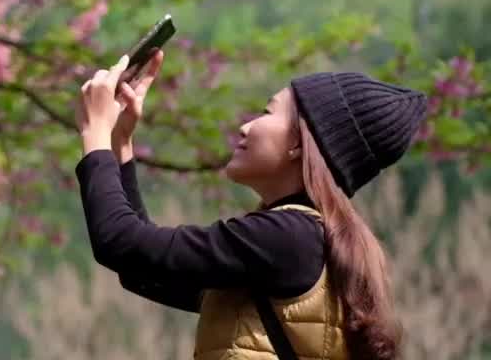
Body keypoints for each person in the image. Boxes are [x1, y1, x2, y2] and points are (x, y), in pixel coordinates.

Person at [74, 51, 426, 360]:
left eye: (267, 112)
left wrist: (96, 134)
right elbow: (142, 269)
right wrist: (120, 142)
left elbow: (117, 241)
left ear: (299, 144)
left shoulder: (288, 238)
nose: (245, 126)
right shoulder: (298, 242)